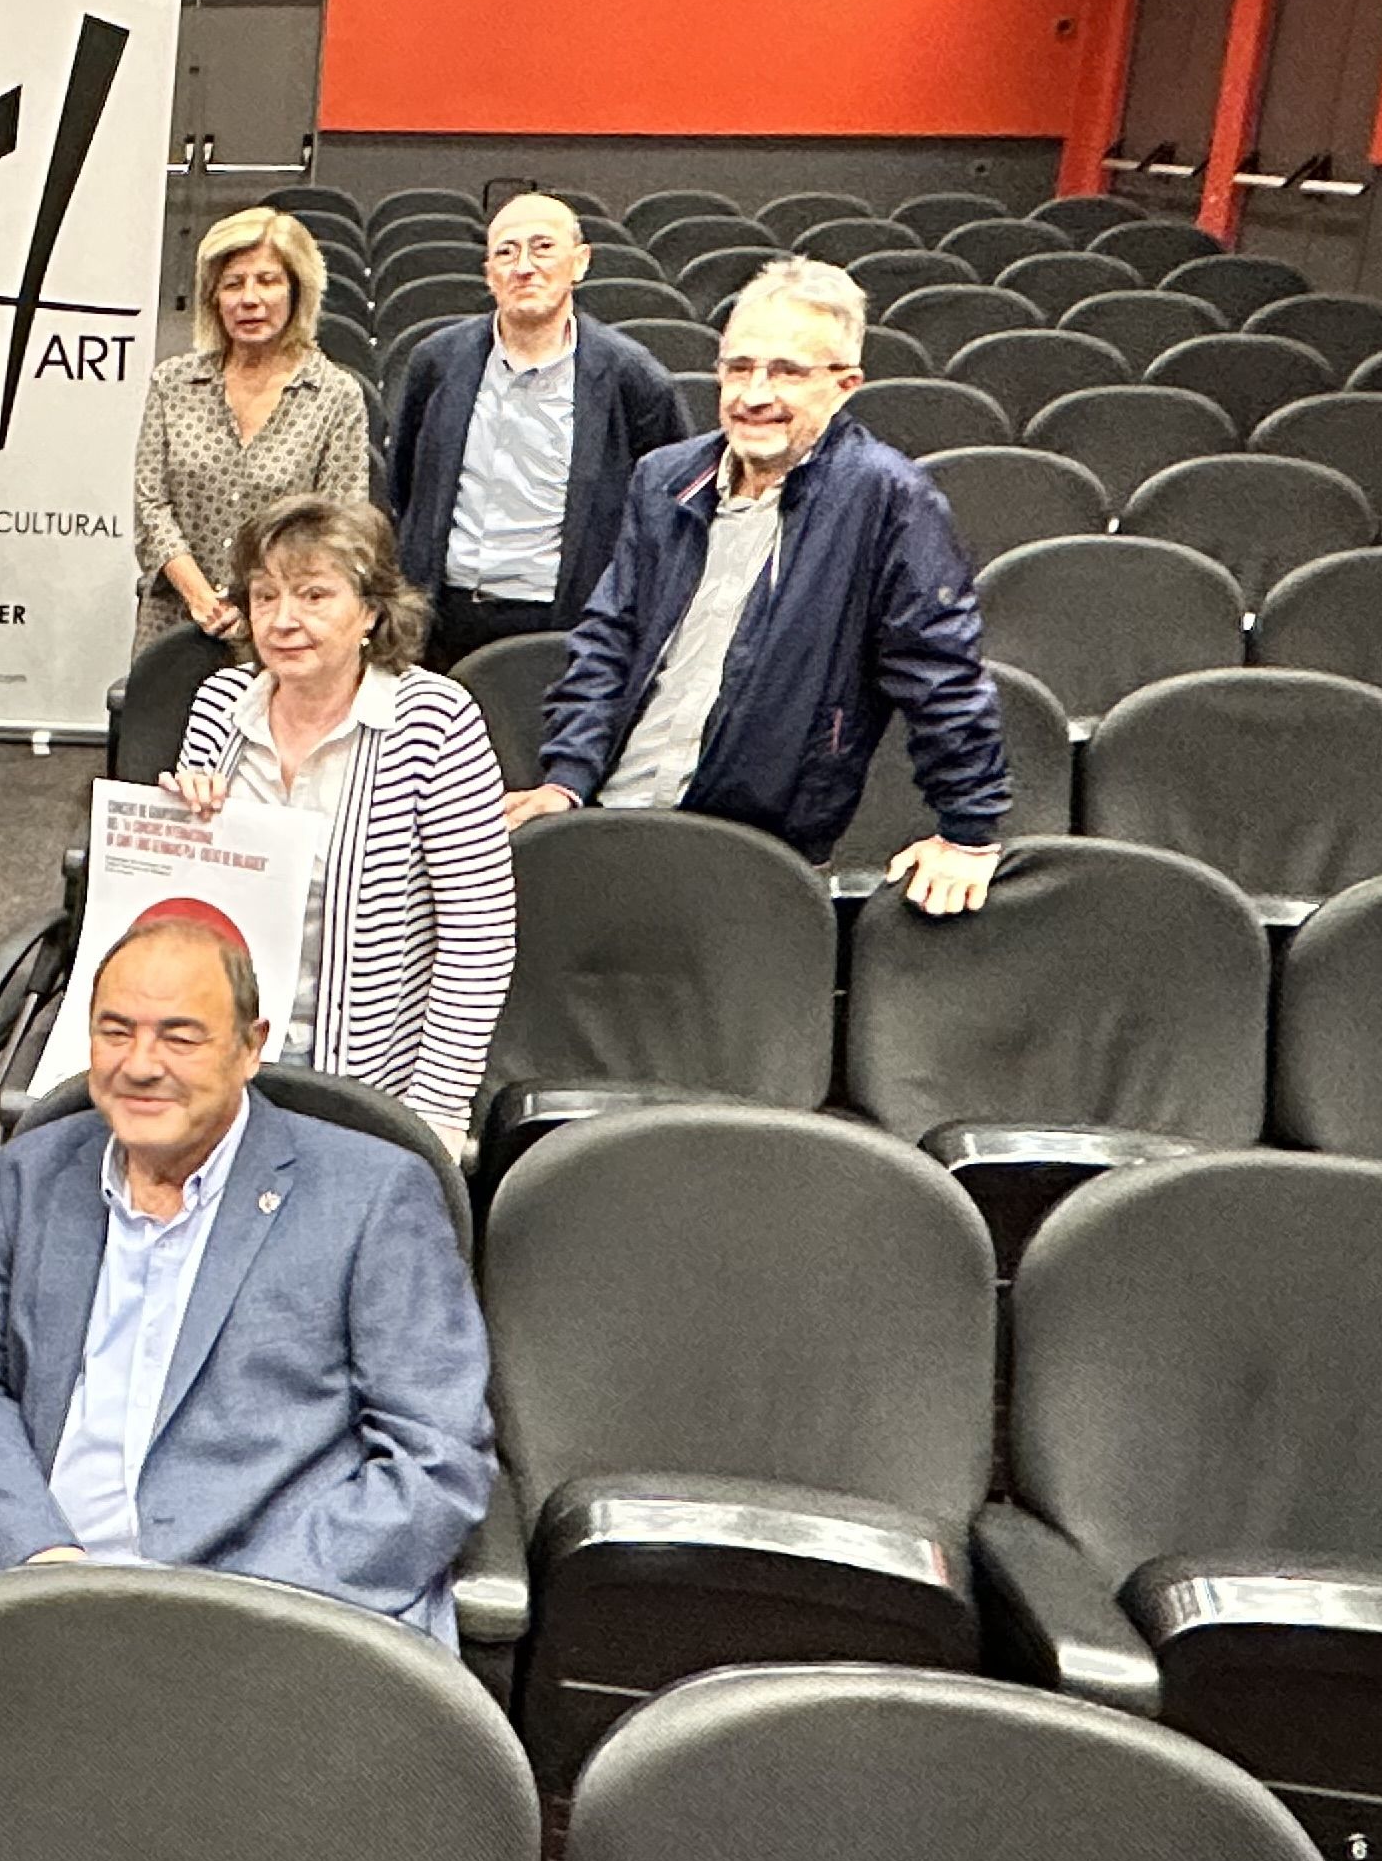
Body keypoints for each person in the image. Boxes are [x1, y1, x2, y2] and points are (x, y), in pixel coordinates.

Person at [0, 915, 493, 1861]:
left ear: (251, 1048)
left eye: (180, 1035)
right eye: (115, 1030)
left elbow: (437, 1461)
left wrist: (246, 1606)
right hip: (68, 1604)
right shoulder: (34, 1172)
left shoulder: (373, 1194)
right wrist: (35, 1556)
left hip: (277, 1621)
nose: (141, 1064)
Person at [506, 258, 1008, 913]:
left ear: (844, 384)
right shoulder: (666, 478)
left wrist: (967, 833)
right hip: (613, 815)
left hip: (757, 851)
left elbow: (941, 671)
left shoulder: (886, 499)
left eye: (787, 372)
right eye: (738, 368)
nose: (753, 394)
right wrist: (567, 779)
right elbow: (610, 639)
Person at [161, 497, 514, 1148]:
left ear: (372, 612)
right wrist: (183, 827)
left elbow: (478, 942)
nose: (283, 620)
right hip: (221, 1071)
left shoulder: (435, 722)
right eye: (264, 597)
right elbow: (183, 913)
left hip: (371, 1091)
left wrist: (433, 1112)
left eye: (314, 596)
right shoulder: (219, 706)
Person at [377, 191, 688, 670]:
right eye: (506, 251)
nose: (524, 266)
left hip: (565, 624)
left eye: (543, 248)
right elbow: (407, 486)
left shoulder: (634, 379)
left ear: (580, 263)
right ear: (488, 274)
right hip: (442, 620)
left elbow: (665, 514)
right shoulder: (436, 362)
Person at [128, 208, 373, 646]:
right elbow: (151, 507)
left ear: (297, 292)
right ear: (213, 298)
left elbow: (338, 524)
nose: (249, 299)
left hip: (285, 629)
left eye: (267, 281)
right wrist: (201, 599)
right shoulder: (173, 383)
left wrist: (259, 605)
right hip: (175, 622)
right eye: (233, 284)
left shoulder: (336, 395)